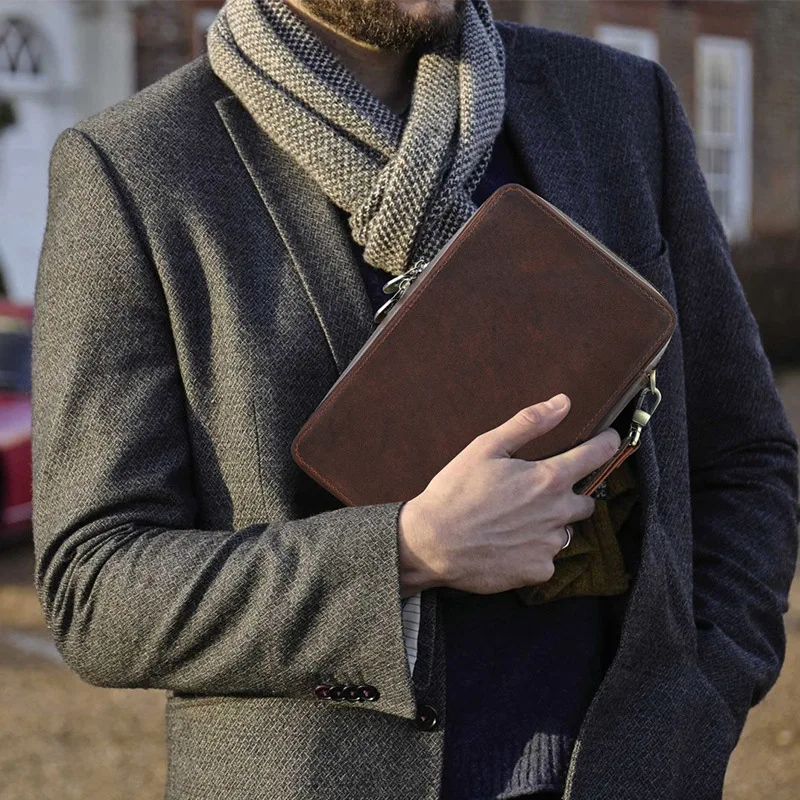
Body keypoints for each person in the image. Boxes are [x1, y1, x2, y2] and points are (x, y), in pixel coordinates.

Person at [31, 0, 799, 798]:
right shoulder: (133, 168)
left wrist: (699, 698)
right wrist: (407, 551)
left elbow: (745, 455)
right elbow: (95, 586)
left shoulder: (619, 105)